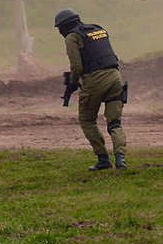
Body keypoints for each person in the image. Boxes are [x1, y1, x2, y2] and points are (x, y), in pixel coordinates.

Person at [54, 9, 127, 171]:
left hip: (95, 80)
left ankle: (103, 159)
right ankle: (121, 159)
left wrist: (72, 83)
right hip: (115, 76)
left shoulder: (72, 37)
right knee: (115, 123)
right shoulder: (98, 29)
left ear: (65, 27)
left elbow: (77, 66)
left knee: (87, 120)